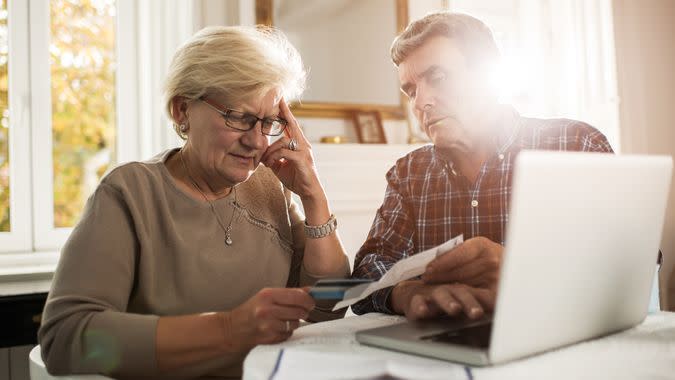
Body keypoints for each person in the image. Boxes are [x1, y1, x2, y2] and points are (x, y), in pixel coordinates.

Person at [38, 26, 350, 379]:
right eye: (240, 117)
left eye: (268, 122)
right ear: (182, 110)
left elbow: (330, 306)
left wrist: (313, 195)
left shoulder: (269, 187)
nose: (256, 141)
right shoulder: (130, 192)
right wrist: (230, 329)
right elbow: (65, 338)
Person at [351, 12, 613, 321]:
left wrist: (523, 271)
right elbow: (362, 276)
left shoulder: (576, 145)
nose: (420, 103)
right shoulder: (409, 174)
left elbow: (635, 264)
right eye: (411, 90)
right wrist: (405, 293)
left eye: (437, 78)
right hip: (445, 357)